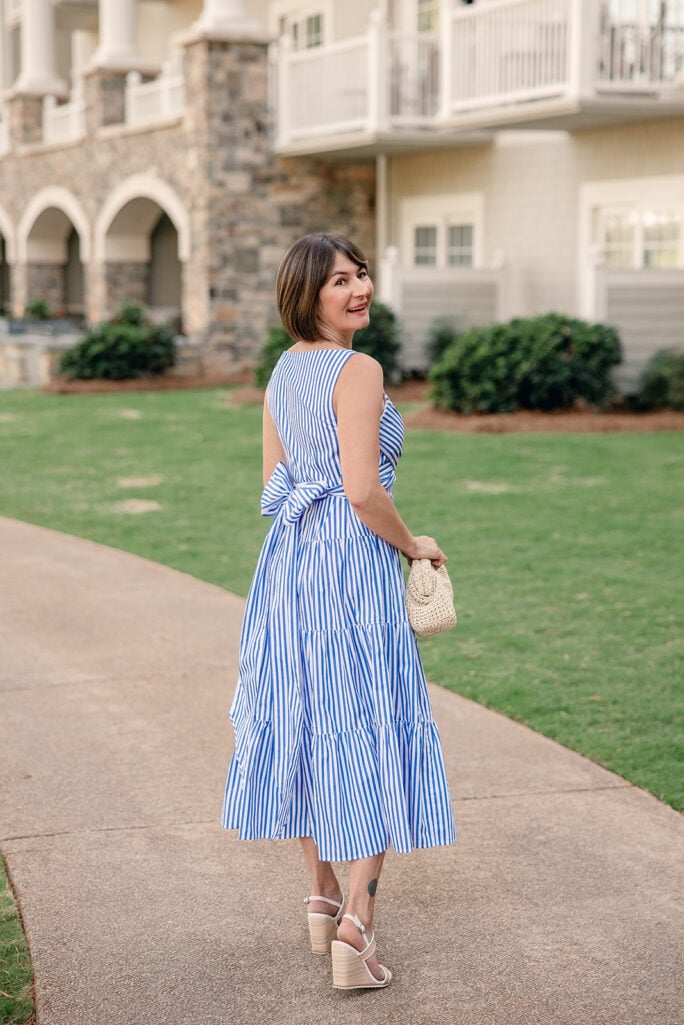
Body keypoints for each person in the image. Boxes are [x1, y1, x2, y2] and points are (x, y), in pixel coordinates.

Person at [221, 233, 457, 990]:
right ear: (307, 295)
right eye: (339, 281)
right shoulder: (358, 370)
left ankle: (321, 898)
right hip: (349, 569)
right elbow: (361, 490)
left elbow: (273, 480)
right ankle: (357, 923)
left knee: (304, 716)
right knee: (371, 721)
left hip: (288, 566)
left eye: (361, 275)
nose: (358, 289)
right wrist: (413, 542)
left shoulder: (282, 373)